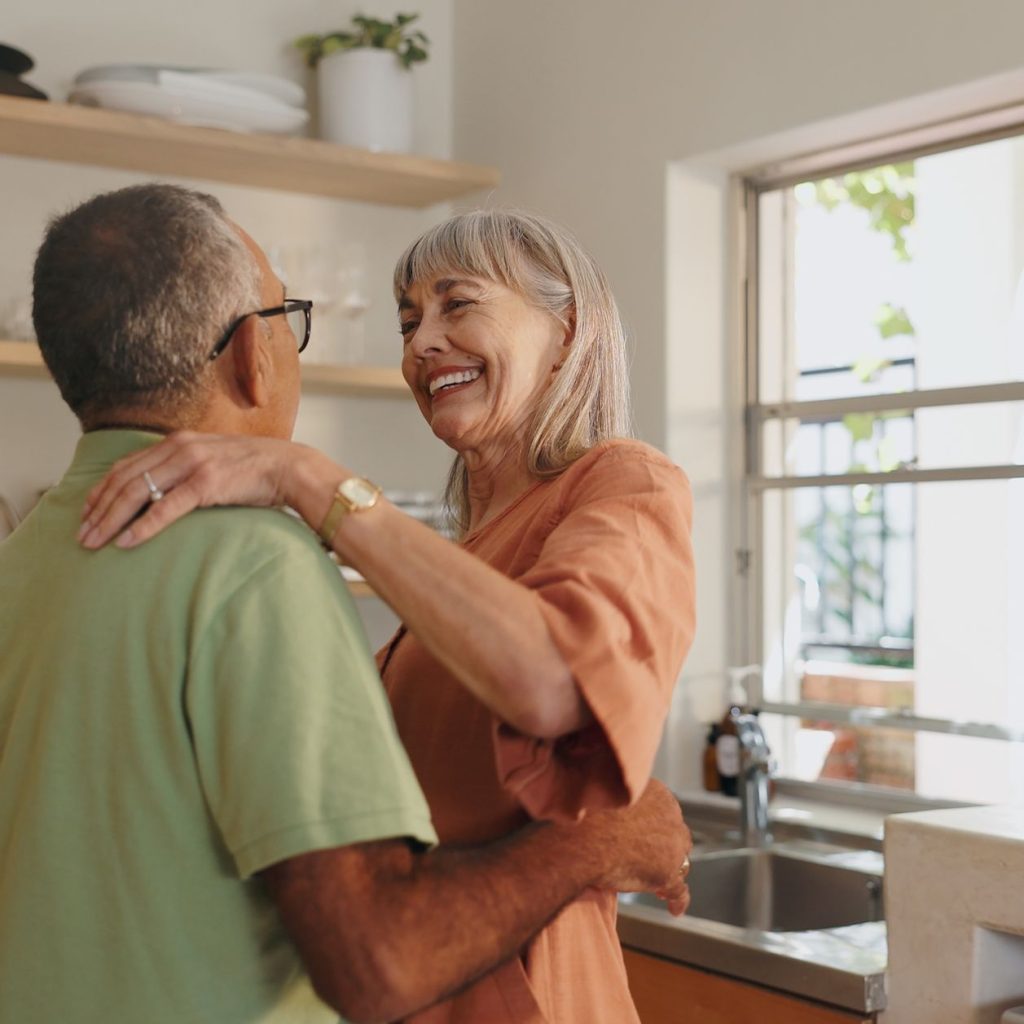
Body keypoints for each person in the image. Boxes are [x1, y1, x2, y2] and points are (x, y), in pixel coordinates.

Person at [0, 185, 692, 1024]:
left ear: (568, 333)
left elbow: (556, 679)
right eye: (407, 322)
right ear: (255, 356)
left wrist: (305, 477)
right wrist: (606, 836)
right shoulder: (440, 559)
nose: (424, 341)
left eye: (458, 303)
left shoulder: (626, 481)